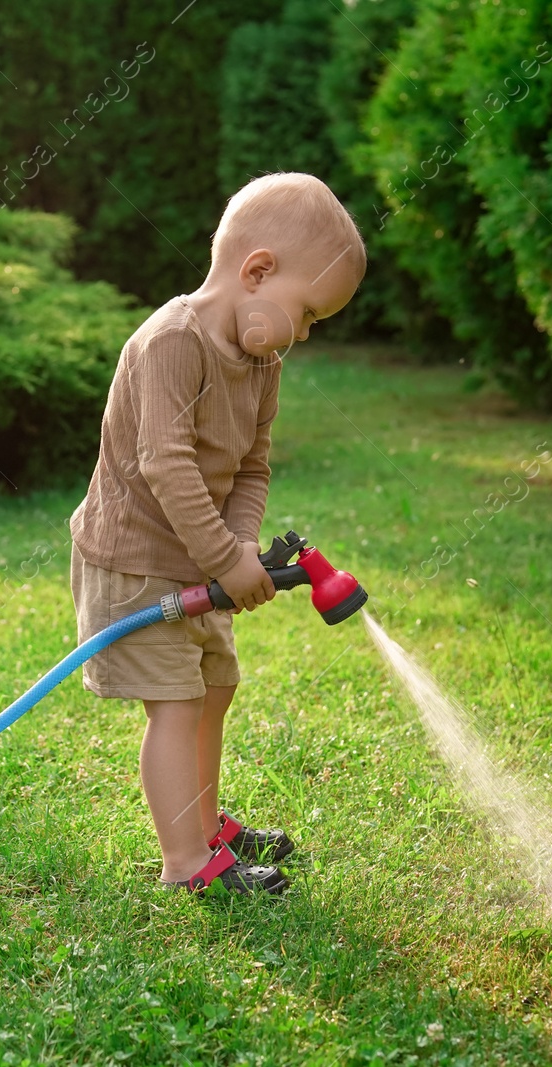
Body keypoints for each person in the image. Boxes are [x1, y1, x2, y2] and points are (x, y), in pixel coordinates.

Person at [69, 172, 365, 895]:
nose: (304, 333)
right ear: (257, 271)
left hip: (198, 562)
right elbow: (165, 465)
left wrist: (238, 550)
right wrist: (222, 558)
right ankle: (186, 863)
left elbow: (253, 465)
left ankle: (204, 826)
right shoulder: (173, 343)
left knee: (214, 690)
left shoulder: (263, 361)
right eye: (308, 313)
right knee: (174, 703)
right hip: (136, 562)